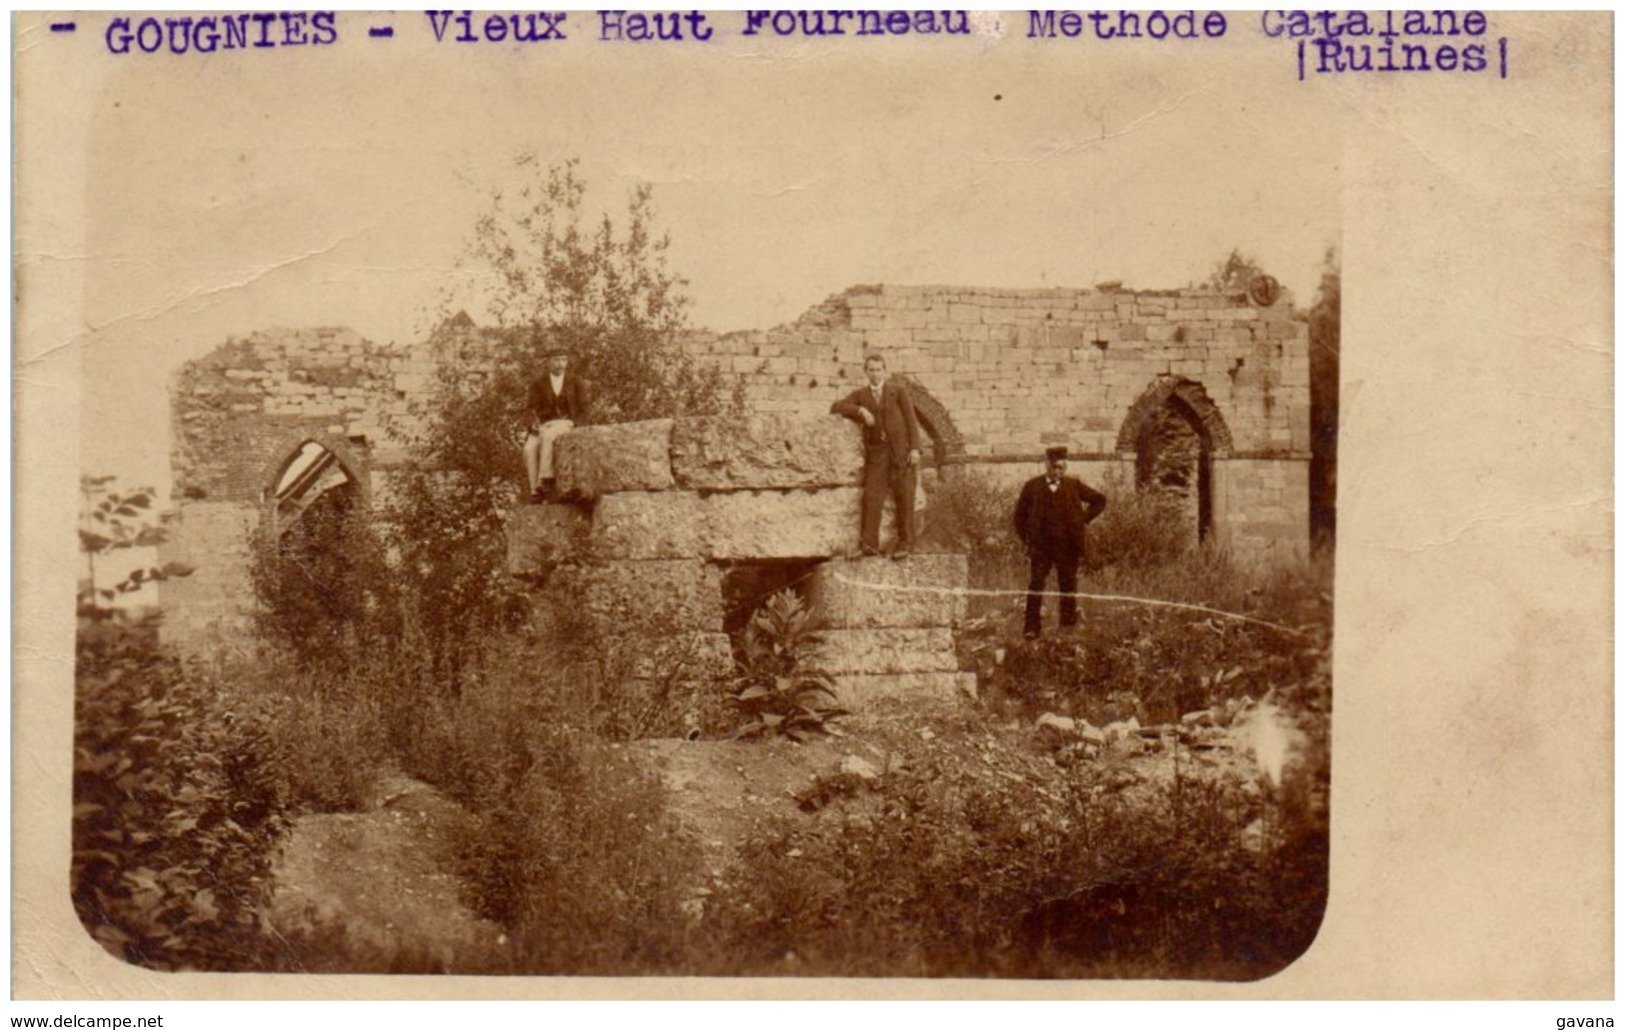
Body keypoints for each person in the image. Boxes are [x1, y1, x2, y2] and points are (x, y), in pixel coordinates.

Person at [831, 353, 923, 559]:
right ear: (866, 371)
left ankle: (906, 544)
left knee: (905, 498)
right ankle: (869, 547)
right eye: (871, 369)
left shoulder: (897, 391)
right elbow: (836, 407)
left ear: (884, 371)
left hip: (902, 453)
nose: (875, 373)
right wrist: (860, 411)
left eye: (878, 369)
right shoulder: (861, 395)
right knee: (872, 498)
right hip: (878, 455)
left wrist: (915, 449)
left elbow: (911, 421)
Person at [1013, 445, 1107, 639]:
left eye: (1061, 468)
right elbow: (1019, 517)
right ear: (1047, 464)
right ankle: (1031, 627)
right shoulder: (1032, 486)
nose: (1057, 471)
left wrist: (1083, 519)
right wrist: (1028, 540)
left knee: (1068, 584)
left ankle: (1067, 626)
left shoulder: (1073, 485)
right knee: (1036, 583)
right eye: (1054, 467)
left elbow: (1099, 500)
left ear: (1065, 467)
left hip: (1067, 546)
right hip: (1041, 547)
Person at [523, 348, 590, 501]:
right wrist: (531, 425)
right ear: (548, 362)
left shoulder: (575, 382)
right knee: (529, 448)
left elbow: (584, 408)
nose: (560, 364)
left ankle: (545, 477)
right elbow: (529, 408)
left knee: (548, 437)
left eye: (563, 360)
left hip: (567, 422)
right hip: (545, 424)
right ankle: (535, 491)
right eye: (556, 360)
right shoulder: (538, 383)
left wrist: (578, 424)